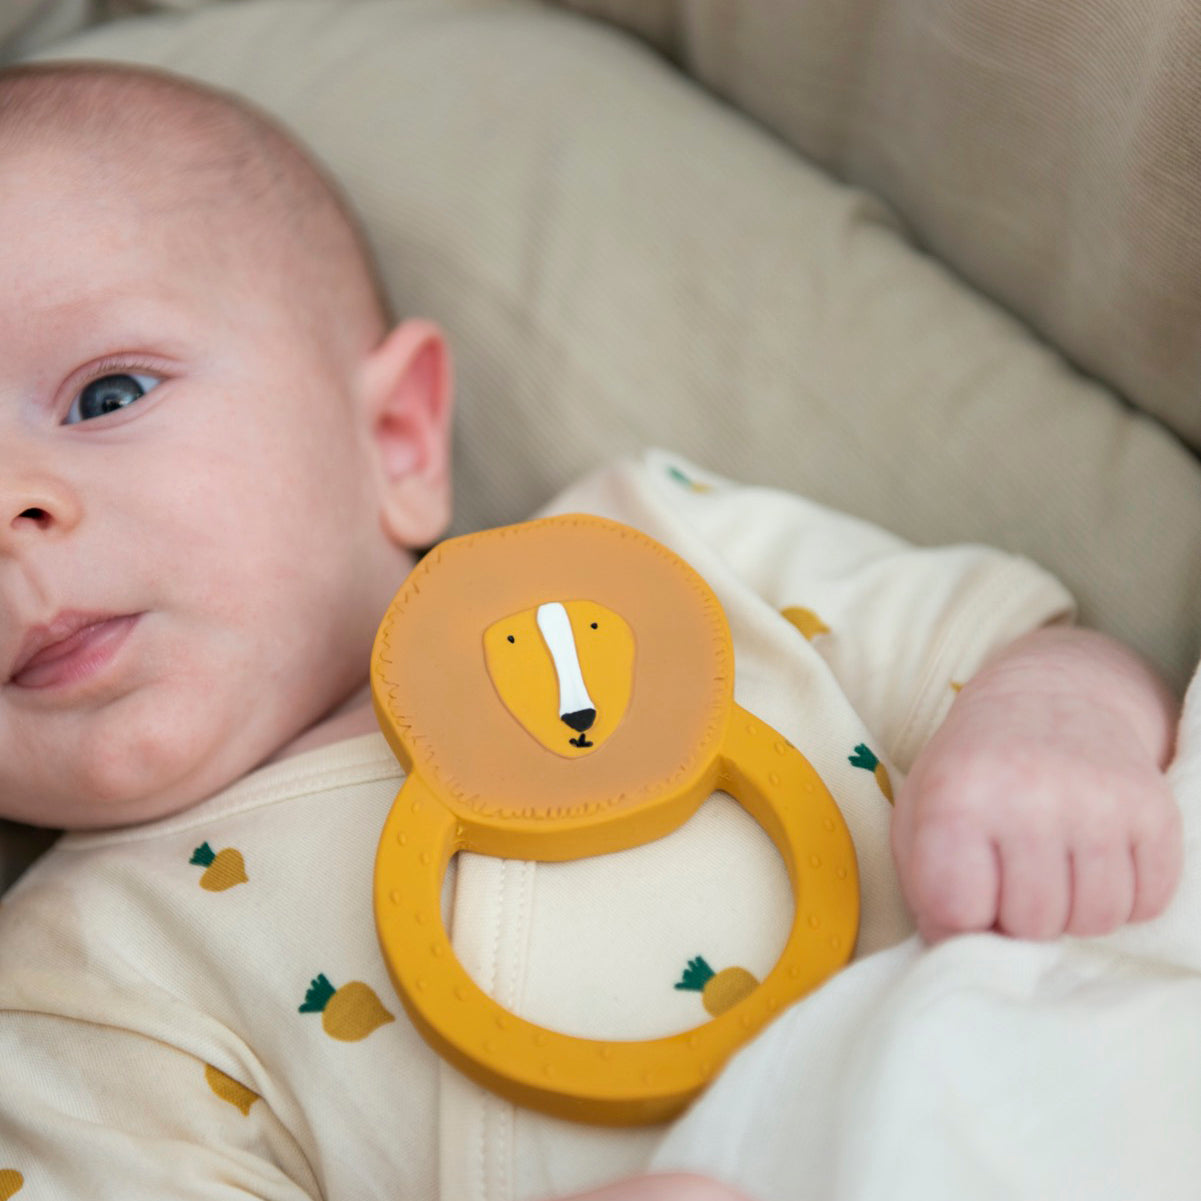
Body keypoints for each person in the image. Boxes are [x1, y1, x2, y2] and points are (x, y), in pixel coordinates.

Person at [0, 61, 1180, 1201]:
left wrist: (1049, 730)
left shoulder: (645, 550)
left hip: (1049, 1036)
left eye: (107, 396)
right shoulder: (63, 993)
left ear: (400, 440)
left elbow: (1012, 644)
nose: (16, 511)